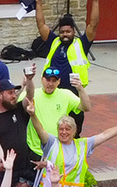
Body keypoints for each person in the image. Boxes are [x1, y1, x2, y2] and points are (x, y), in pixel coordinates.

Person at [35, 0, 99, 131]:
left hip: (74, 95)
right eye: (62, 31)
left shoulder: (82, 44)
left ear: (74, 31)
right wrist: (38, 4)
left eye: (68, 32)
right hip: (53, 93)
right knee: (53, 128)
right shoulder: (53, 42)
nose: (65, 34)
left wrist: (96, 2)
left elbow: (93, 24)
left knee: (73, 130)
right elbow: (41, 24)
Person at [20, 67, 89, 159]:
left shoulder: (66, 95)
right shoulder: (34, 94)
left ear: (59, 81)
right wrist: (27, 82)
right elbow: (17, 101)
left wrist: (80, 89)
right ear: (42, 80)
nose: (50, 84)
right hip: (36, 149)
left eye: (54, 80)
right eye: (48, 80)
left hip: (58, 148)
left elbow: (86, 107)